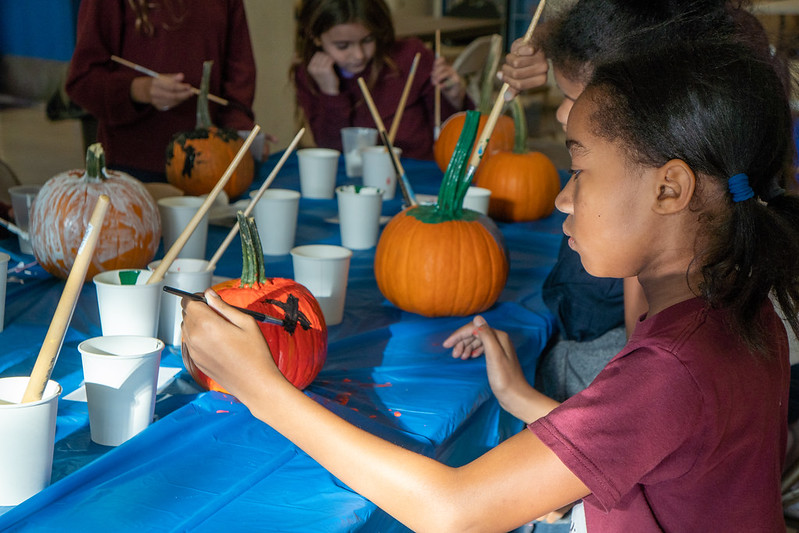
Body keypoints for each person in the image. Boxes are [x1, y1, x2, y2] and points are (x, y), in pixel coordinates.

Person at [181, 40, 799, 531]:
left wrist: (258, 385)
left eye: (579, 169)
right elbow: (660, 449)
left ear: (670, 188)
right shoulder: (742, 309)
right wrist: (523, 398)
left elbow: (453, 512)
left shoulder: (672, 367)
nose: (562, 196)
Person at [493, 0, 786, 403]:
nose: (562, 111)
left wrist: (516, 395)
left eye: (572, 95)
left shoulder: (661, 362)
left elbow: (637, 377)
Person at [66, 0, 274, 182]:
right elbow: (82, 80)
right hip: (134, 167)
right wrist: (139, 90)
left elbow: (239, 75)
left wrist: (240, 131)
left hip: (211, 163)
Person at [291, 0, 471, 160]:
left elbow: (453, 138)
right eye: (343, 46)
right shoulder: (311, 74)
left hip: (418, 174)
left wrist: (456, 100)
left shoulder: (410, 57)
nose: (359, 55)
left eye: (368, 40)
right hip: (354, 182)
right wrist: (330, 93)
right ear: (315, 38)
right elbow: (332, 150)